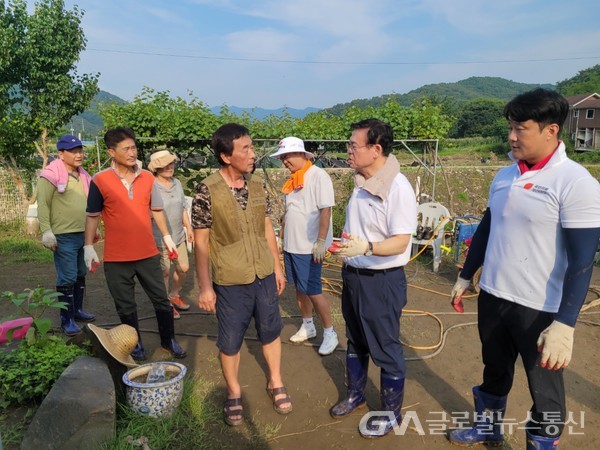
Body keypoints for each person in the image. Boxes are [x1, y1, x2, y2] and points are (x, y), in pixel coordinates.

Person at [448, 88, 600, 449]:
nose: (512, 136)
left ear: (551, 131)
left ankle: (541, 444)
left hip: (540, 309)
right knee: (494, 370)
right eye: (511, 127)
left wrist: (565, 324)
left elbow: (582, 261)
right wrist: (465, 275)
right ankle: (488, 428)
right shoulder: (503, 176)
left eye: (521, 128)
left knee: (544, 388)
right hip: (495, 296)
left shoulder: (576, 183)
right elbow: (487, 228)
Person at [192, 123, 291, 427]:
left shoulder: (258, 186)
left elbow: (266, 230)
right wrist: (206, 287)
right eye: (245, 149)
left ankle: (275, 381)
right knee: (231, 339)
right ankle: (233, 391)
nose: (253, 154)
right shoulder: (207, 190)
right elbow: (201, 242)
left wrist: (277, 266)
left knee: (271, 329)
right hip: (231, 279)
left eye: (251, 147)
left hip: (262, 272)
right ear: (225, 156)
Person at [329, 118, 417, 438]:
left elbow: (400, 241)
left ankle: (391, 413)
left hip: (381, 280)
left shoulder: (397, 188)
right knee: (356, 338)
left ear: (376, 149)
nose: (348, 150)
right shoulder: (361, 183)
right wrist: (341, 245)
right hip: (353, 275)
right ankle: (356, 393)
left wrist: (366, 246)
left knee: (385, 345)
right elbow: (358, 229)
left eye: (354, 145)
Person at [83, 126, 186, 360]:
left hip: (148, 254)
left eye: (134, 147)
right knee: (125, 305)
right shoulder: (100, 180)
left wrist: (167, 237)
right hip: (116, 258)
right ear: (111, 152)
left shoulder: (148, 177)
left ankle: (168, 340)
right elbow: (92, 215)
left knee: (161, 299)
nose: (132, 152)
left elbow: (157, 210)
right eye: (126, 148)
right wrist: (88, 246)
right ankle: (135, 344)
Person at [271, 136, 338, 355]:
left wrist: (320, 241)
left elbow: (325, 210)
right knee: (299, 288)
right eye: (282, 157)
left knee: (313, 290)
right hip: (293, 244)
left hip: (309, 246)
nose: (284, 161)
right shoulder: (293, 179)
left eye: (287, 156)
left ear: (301, 154)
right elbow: (289, 211)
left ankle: (330, 332)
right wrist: (282, 236)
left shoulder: (318, 176)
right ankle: (308, 325)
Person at [37, 134, 96, 336]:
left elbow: (90, 205)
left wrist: (94, 228)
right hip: (63, 235)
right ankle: (66, 319)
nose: (79, 154)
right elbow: (43, 204)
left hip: (83, 234)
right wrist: (46, 231)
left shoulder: (84, 176)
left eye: (80, 150)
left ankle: (77, 311)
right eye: (73, 151)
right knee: (67, 276)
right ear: (61, 154)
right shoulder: (50, 175)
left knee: (80, 273)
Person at [148, 149, 194, 320]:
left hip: (178, 236)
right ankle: (165, 304)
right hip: (159, 238)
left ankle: (174, 294)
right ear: (156, 168)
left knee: (183, 268)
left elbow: (182, 206)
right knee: (165, 272)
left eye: (172, 163)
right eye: (165, 165)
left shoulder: (177, 183)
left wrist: (188, 227)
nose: (170, 167)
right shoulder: (151, 186)